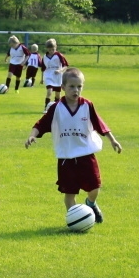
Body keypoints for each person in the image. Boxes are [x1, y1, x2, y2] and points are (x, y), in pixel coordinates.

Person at [25, 67, 121, 222]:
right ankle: (76, 219)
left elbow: (100, 124)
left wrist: (113, 140)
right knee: (69, 193)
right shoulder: (56, 108)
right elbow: (41, 124)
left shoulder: (87, 105)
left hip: (86, 155)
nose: (76, 90)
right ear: (63, 88)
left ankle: (91, 203)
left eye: (79, 87)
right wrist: (32, 136)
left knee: (95, 187)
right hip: (66, 158)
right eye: (71, 86)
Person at [40, 38, 68, 112]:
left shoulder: (59, 55)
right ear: (47, 49)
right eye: (50, 50)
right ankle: (46, 108)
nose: (51, 51)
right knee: (49, 91)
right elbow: (43, 69)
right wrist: (41, 78)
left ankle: (56, 108)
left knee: (57, 95)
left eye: (53, 49)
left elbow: (65, 66)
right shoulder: (45, 57)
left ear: (56, 47)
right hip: (48, 75)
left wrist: (60, 70)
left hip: (57, 76)